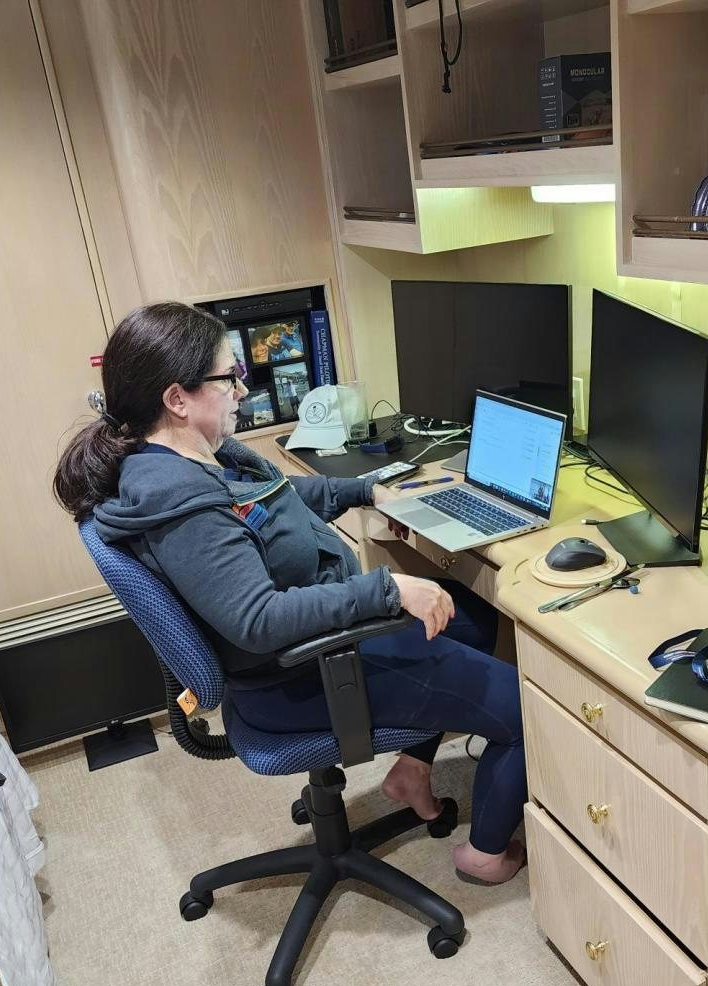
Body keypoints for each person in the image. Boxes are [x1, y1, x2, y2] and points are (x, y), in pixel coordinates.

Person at [53, 302, 526, 884]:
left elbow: (274, 502)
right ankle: (485, 855)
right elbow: (259, 619)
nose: (242, 391)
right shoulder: (178, 502)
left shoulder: (190, 456)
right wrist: (388, 588)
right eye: (230, 379)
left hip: (316, 648)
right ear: (177, 398)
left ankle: (412, 772)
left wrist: (367, 490)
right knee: (524, 706)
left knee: (471, 615)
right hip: (304, 674)